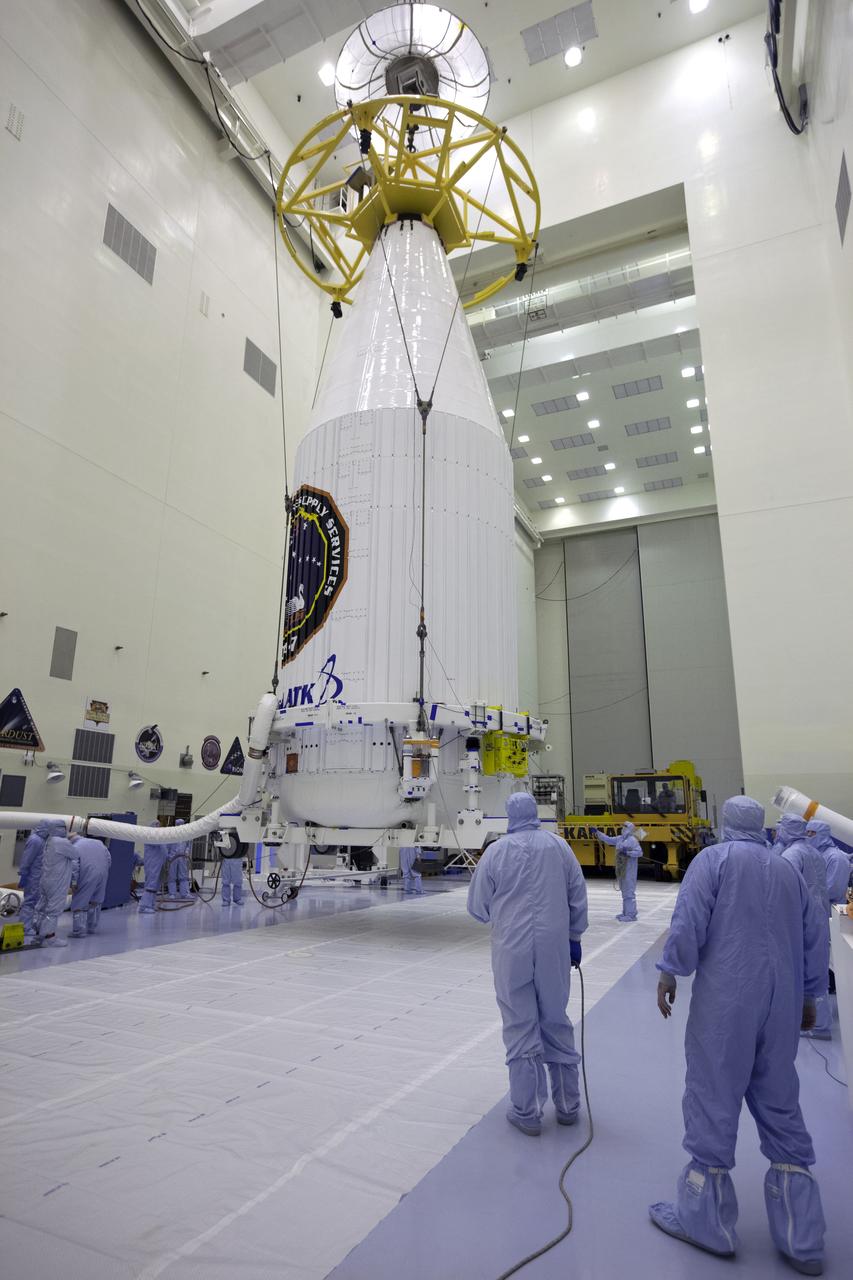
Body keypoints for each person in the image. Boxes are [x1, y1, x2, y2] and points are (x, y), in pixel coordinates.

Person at [650, 796, 826, 1275]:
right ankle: (802, 1237)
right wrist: (810, 996)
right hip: (783, 1003)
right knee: (780, 1099)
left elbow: (688, 922)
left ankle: (708, 1224)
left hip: (729, 1001)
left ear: (728, 822)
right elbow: (813, 936)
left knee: (713, 1093)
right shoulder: (786, 870)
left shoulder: (715, 860)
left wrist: (669, 973)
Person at [467, 792, 588, 1137]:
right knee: (556, 1019)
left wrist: (504, 915)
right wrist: (575, 937)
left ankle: (527, 1111)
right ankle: (568, 1106)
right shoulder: (559, 847)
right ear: (536, 812)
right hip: (554, 948)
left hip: (511, 949)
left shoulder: (496, 853)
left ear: (508, 815)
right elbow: (577, 894)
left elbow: (477, 907)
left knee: (519, 1023)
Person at [778, 816, 831, 1040]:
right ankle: (820, 1023)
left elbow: (784, 891)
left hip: (799, 919)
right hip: (818, 917)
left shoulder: (791, 855)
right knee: (816, 968)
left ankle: (810, 1023)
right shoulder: (814, 852)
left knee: (798, 970)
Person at [32, 820, 78, 947]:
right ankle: (49, 938)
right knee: (53, 910)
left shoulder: (49, 841)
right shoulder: (62, 842)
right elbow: (75, 854)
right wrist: (72, 840)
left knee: (41, 907)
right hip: (57, 882)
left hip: (46, 880)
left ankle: (38, 935)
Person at [591, 822, 642, 921]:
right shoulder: (620, 838)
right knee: (624, 892)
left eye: (625, 827)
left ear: (630, 828)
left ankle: (631, 915)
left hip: (629, 870)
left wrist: (628, 852)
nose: (623, 828)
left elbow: (639, 852)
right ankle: (625, 912)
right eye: (623, 826)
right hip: (621, 870)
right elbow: (608, 840)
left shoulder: (633, 840)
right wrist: (597, 832)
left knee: (629, 892)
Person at [69, 836, 112, 937]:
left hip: (87, 875)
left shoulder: (75, 847)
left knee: (79, 903)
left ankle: (78, 931)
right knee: (95, 901)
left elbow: (74, 868)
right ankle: (92, 927)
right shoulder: (99, 843)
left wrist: (73, 883)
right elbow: (109, 860)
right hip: (102, 874)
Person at [18, 820, 51, 938]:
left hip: (38, 877)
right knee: (30, 901)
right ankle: (25, 927)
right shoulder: (35, 840)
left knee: (36, 902)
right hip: (33, 877)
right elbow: (27, 859)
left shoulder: (42, 840)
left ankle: (30, 925)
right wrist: (23, 874)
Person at [140, 819, 167, 914]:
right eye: (156, 825)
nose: (158, 827)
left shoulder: (158, 837)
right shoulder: (150, 836)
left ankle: (150, 904)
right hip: (152, 864)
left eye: (158, 825)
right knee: (151, 885)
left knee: (155, 885)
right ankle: (144, 906)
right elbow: (158, 842)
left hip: (158, 864)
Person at [166, 818, 192, 899]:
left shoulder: (186, 835)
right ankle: (172, 893)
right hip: (173, 858)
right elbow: (167, 846)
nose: (180, 826)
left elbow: (188, 845)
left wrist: (187, 852)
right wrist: (168, 856)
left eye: (181, 824)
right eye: (178, 825)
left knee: (183, 875)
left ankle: (184, 893)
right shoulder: (171, 834)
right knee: (172, 876)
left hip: (182, 857)